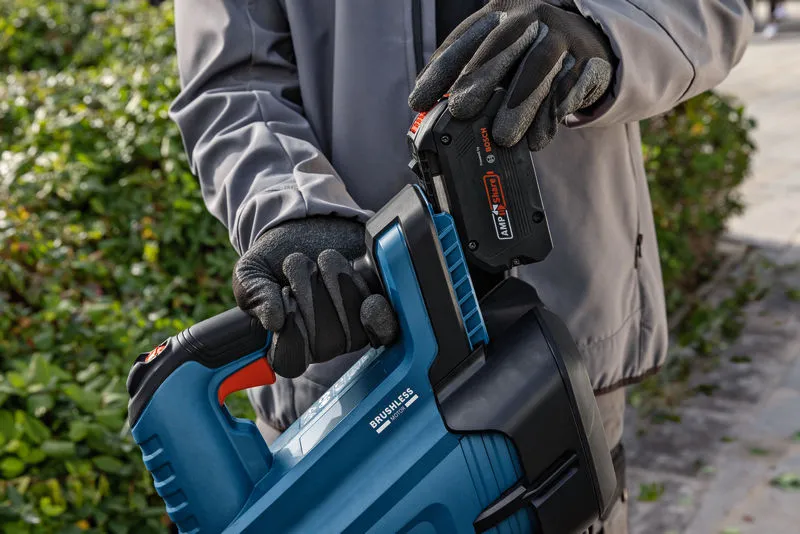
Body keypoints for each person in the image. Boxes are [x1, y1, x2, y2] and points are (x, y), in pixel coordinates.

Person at [169, 1, 753, 531]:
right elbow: (233, 80)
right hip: (348, 376)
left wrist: (604, 32)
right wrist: (292, 210)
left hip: (561, 363)